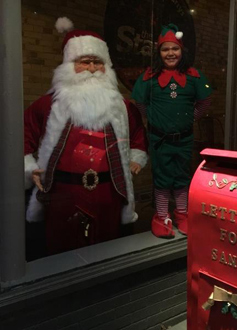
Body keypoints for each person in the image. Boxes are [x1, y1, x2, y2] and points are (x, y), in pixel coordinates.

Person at [24, 17, 148, 255]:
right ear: (69, 66)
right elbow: (22, 133)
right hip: (62, 193)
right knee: (62, 248)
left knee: (107, 246)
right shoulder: (48, 104)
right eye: (84, 62)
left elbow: (137, 133)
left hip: (108, 193)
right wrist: (29, 167)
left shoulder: (121, 106)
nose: (92, 68)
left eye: (97, 62)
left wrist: (136, 156)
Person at [131, 24, 212, 238]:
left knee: (182, 177)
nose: (170, 53)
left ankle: (182, 214)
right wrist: (153, 118)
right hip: (160, 139)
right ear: (158, 52)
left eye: (174, 49)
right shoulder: (150, 76)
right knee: (162, 179)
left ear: (181, 51)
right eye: (165, 49)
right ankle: (161, 215)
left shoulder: (194, 76)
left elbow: (204, 103)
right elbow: (139, 101)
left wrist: (188, 120)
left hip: (184, 140)